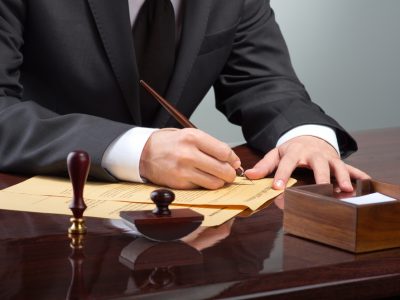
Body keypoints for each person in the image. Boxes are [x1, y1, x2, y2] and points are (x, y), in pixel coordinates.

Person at [0, 0, 369, 191]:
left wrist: (305, 135)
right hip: (33, 217)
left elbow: (263, 82)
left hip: (174, 233)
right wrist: (138, 151)